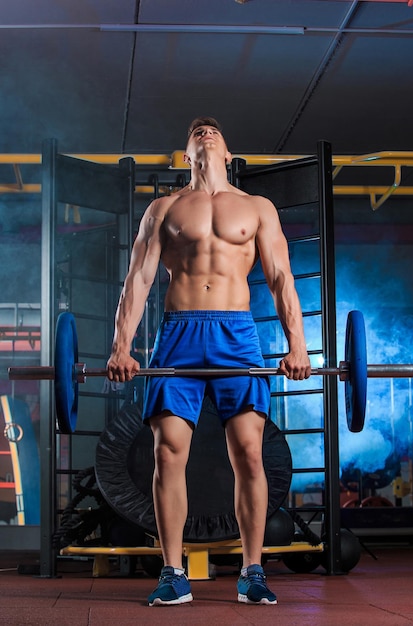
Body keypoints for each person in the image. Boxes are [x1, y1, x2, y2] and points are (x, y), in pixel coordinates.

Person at [107, 116, 311, 606]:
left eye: (213, 131)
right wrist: (121, 346)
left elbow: (281, 278)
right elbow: (138, 280)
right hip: (179, 332)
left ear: (227, 152)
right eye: (196, 131)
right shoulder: (164, 208)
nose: (205, 132)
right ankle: (173, 573)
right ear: (186, 155)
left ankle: (253, 571)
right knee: (167, 451)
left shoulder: (257, 208)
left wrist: (297, 344)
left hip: (237, 333)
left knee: (249, 451)